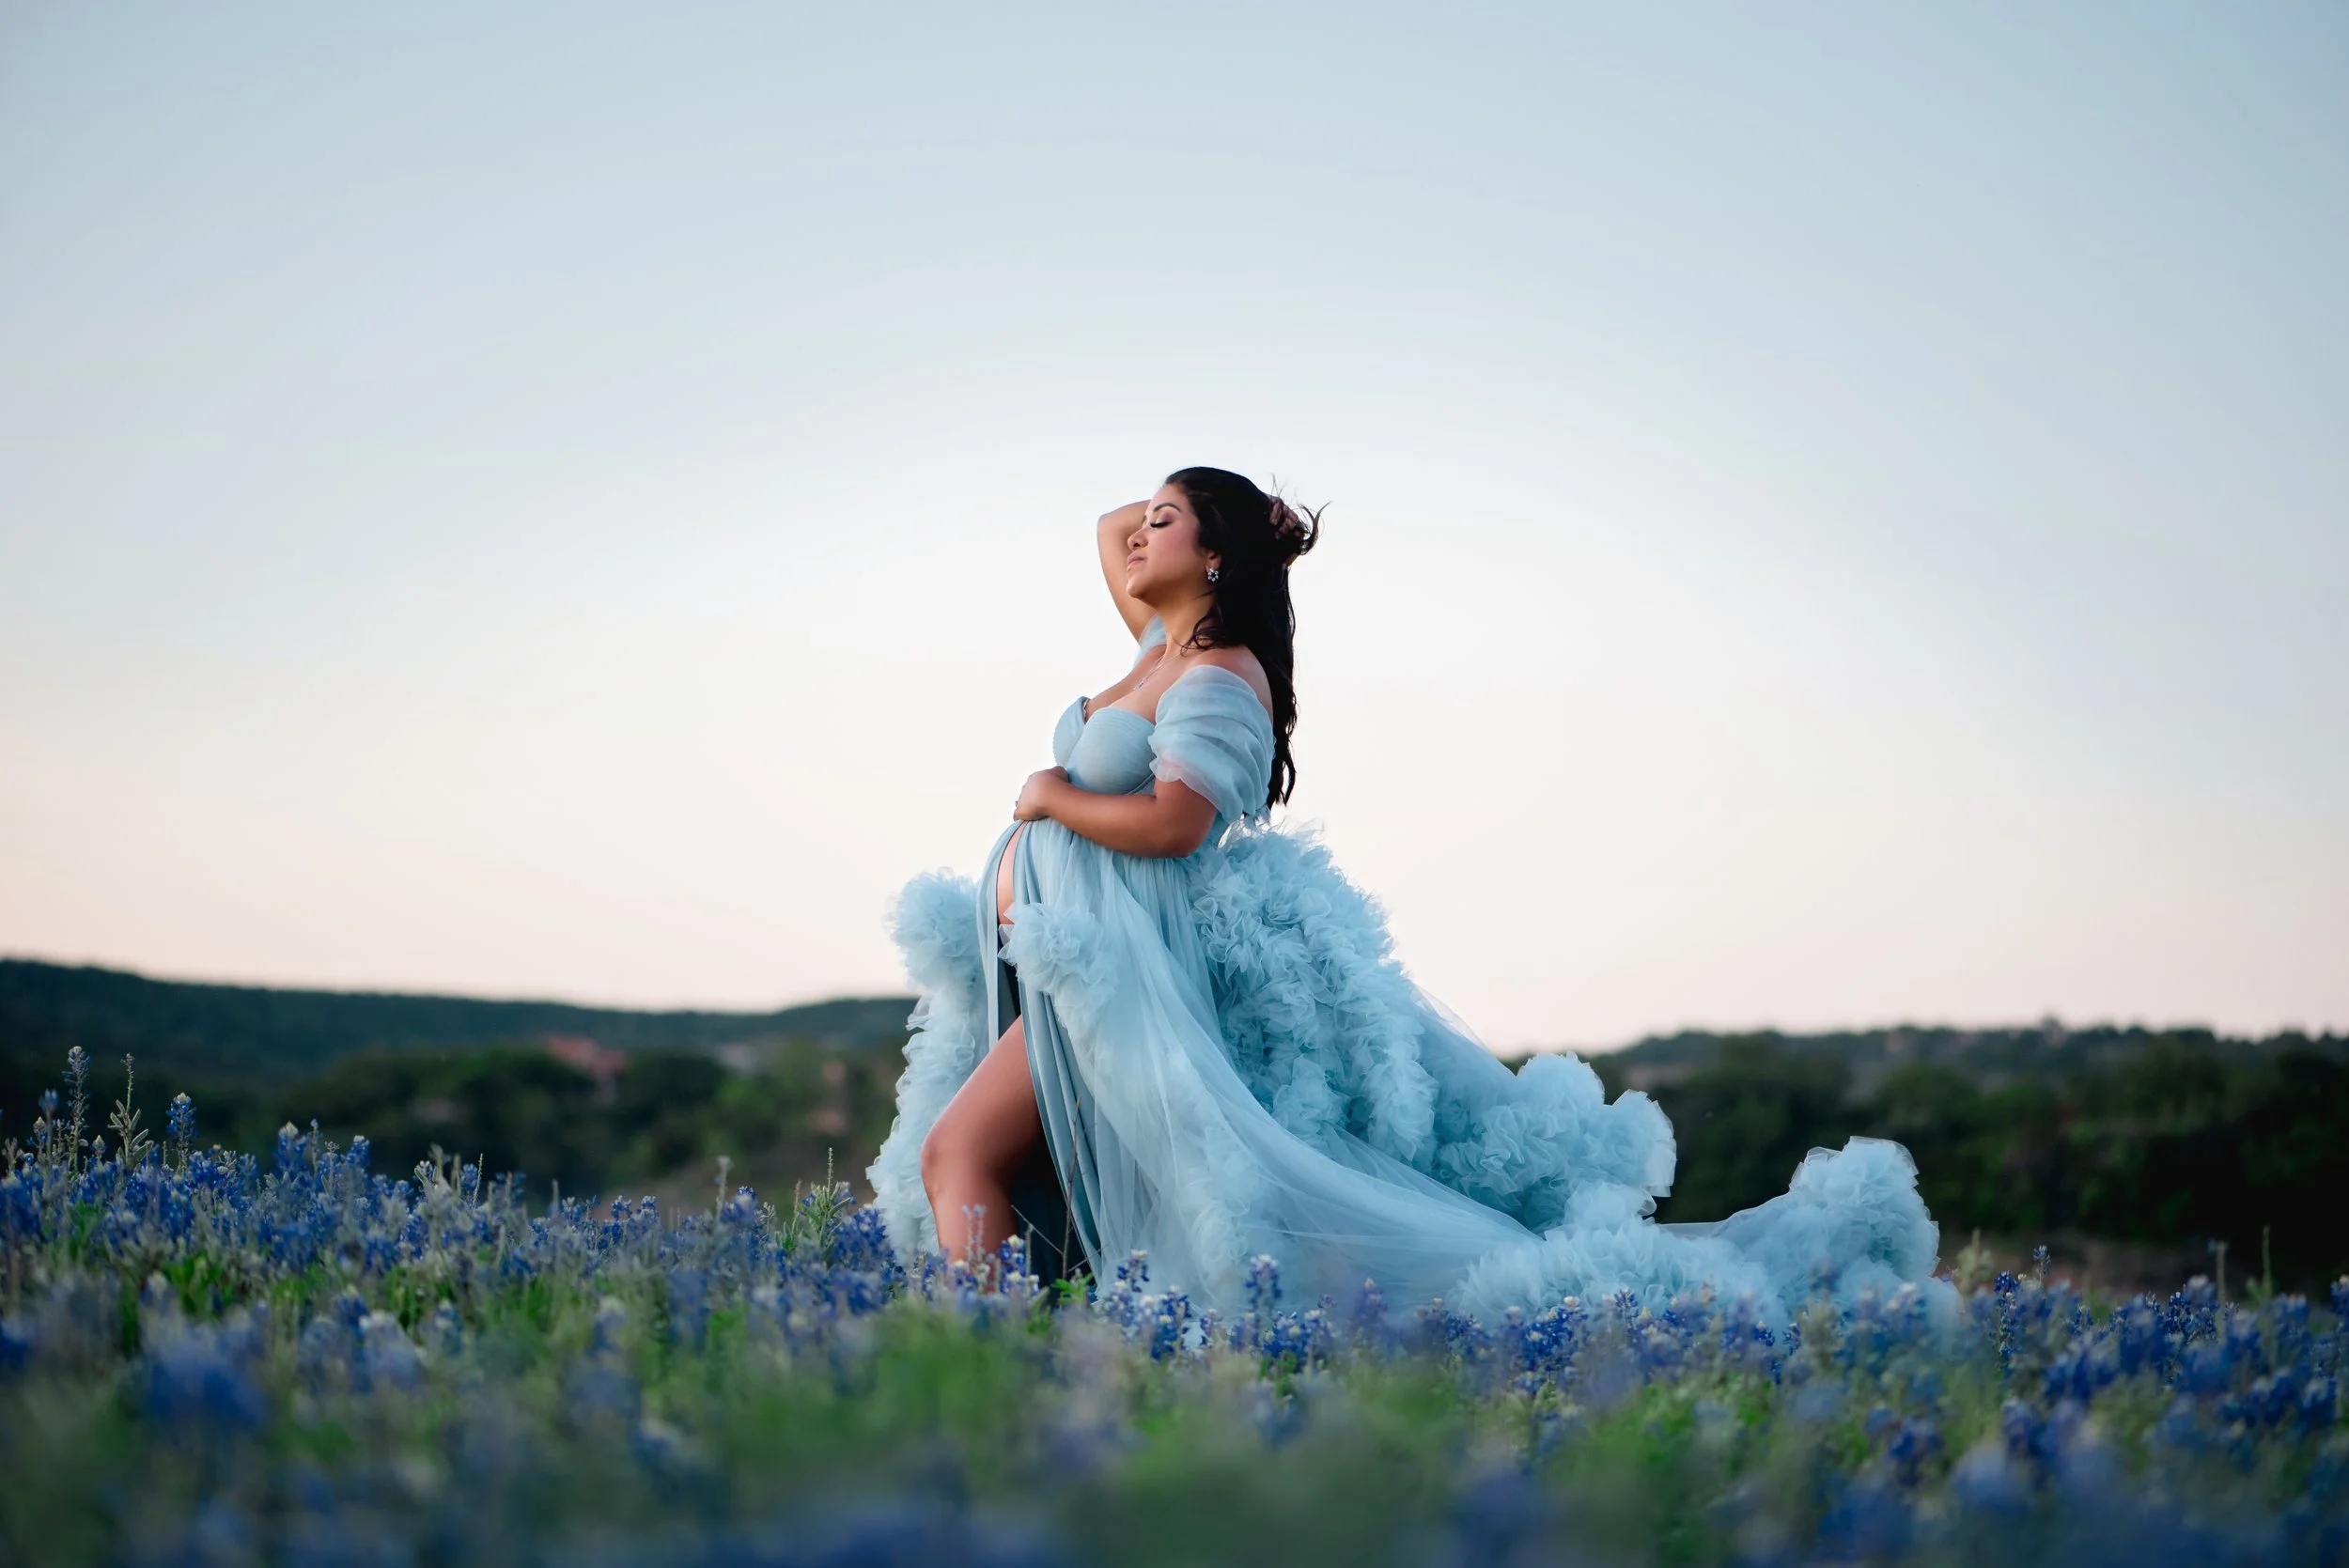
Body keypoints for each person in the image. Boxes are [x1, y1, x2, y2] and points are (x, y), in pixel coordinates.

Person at [867, 467, 1952, 1326]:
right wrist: (1193, 510)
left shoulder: (1218, 673)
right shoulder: (1158, 644)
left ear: (1215, 556)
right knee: (1042, 1178)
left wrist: (1050, 798)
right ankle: (1037, 1356)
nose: (1138, 536)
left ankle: (993, 1370)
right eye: (1148, 521)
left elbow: (1174, 821)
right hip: (1068, 960)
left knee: (959, 1152)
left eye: (1168, 522)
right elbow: (1108, 528)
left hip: (1127, 973)